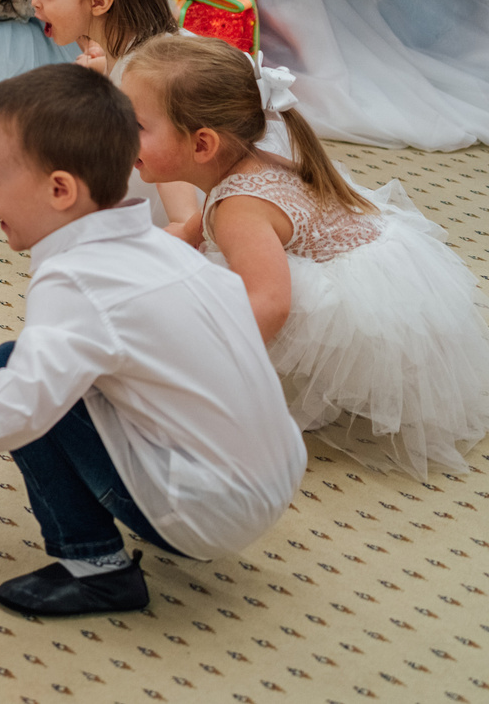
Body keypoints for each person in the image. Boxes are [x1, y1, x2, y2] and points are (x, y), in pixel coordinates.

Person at [0, 66, 304, 619]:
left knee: (8, 367)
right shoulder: (165, 250)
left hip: (204, 512)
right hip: (268, 480)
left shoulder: (77, 279)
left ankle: (97, 570)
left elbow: (22, 405)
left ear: (60, 189)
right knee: (41, 370)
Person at [121, 35, 489, 483]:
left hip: (367, 313)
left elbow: (271, 305)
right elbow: (192, 228)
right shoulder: (247, 166)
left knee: (211, 299)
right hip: (393, 271)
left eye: (135, 124)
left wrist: (206, 366)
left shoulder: (238, 209)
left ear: (202, 145)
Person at [27, 0, 192, 222]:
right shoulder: (106, 46)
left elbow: (185, 211)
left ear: (99, 2)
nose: (34, 2)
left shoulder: (148, 78)